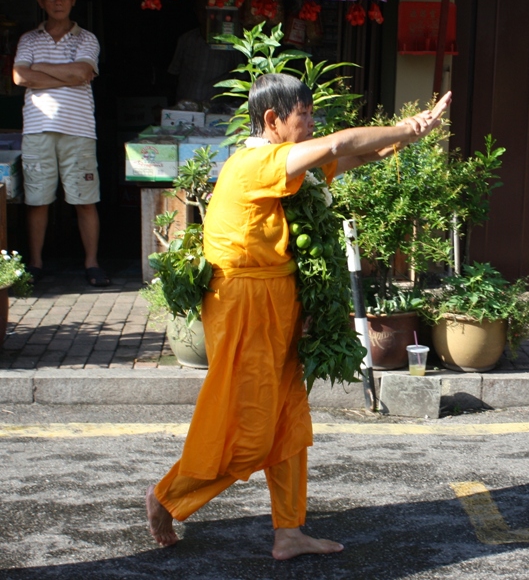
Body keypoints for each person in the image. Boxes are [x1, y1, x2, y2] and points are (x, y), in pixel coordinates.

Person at [145, 72, 451, 559]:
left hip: (278, 302)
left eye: (312, 114)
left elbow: (353, 154)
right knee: (250, 429)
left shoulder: (288, 168)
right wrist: (406, 127)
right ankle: (168, 497)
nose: (312, 123)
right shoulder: (254, 163)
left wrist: (409, 137)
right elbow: (340, 144)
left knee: (288, 421)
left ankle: (289, 531)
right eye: (303, 115)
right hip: (245, 305)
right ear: (272, 120)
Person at [12, 0, 108, 287]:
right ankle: (36, 264)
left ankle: (91, 263)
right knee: (37, 199)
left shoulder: (87, 38)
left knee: (85, 199)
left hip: (78, 130)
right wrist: (66, 75)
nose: (57, 1)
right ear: (40, 1)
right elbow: (18, 76)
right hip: (37, 130)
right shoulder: (29, 39)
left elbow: (82, 73)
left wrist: (39, 71)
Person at [168, 0, 242, 106]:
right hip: (184, 109)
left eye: (209, 10)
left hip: (217, 112)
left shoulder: (231, 43)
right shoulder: (186, 40)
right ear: (195, 12)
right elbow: (173, 74)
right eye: (201, 10)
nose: (205, 14)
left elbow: (242, 77)